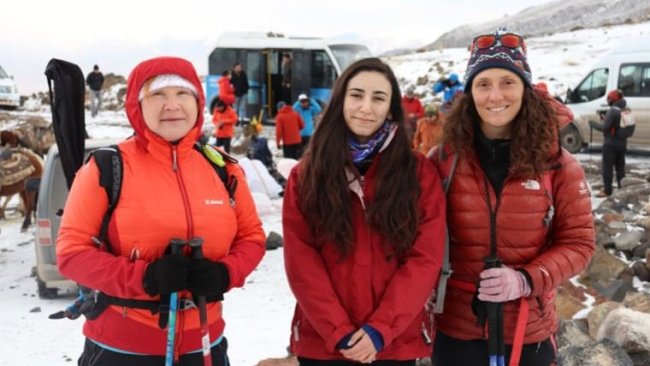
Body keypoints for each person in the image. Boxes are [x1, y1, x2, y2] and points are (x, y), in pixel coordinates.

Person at [56, 56, 266, 365]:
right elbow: (71, 254)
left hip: (205, 346)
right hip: (122, 349)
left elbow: (252, 238)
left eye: (182, 94)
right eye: (157, 95)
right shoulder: (107, 167)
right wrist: (146, 279)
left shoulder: (223, 169)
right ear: (137, 105)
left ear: (197, 101)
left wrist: (225, 273)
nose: (172, 105)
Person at [429, 29, 595, 366]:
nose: (495, 95)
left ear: (525, 88)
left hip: (528, 328)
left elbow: (579, 243)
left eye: (507, 82)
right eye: (483, 84)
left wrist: (524, 279)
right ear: (470, 92)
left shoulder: (558, 164)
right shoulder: (443, 160)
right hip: (457, 330)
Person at [282, 57, 446, 365]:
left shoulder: (418, 173)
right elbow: (301, 259)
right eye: (356, 95)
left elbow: (425, 256)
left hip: (392, 344)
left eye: (378, 98)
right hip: (325, 344)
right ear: (341, 100)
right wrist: (338, 331)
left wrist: (380, 329)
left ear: (391, 107)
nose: (366, 107)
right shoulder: (307, 174)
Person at [589, 89, 630, 197]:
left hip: (610, 144)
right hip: (622, 143)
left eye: (609, 99)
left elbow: (606, 128)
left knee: (607, 167)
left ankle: (607, 190)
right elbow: (618, 126)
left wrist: (593, 124)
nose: (608, 101)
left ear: (612, 99)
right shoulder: (626, 110)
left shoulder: (612, 111)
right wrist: (606, 119)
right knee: (620, 168)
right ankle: (622, 189)